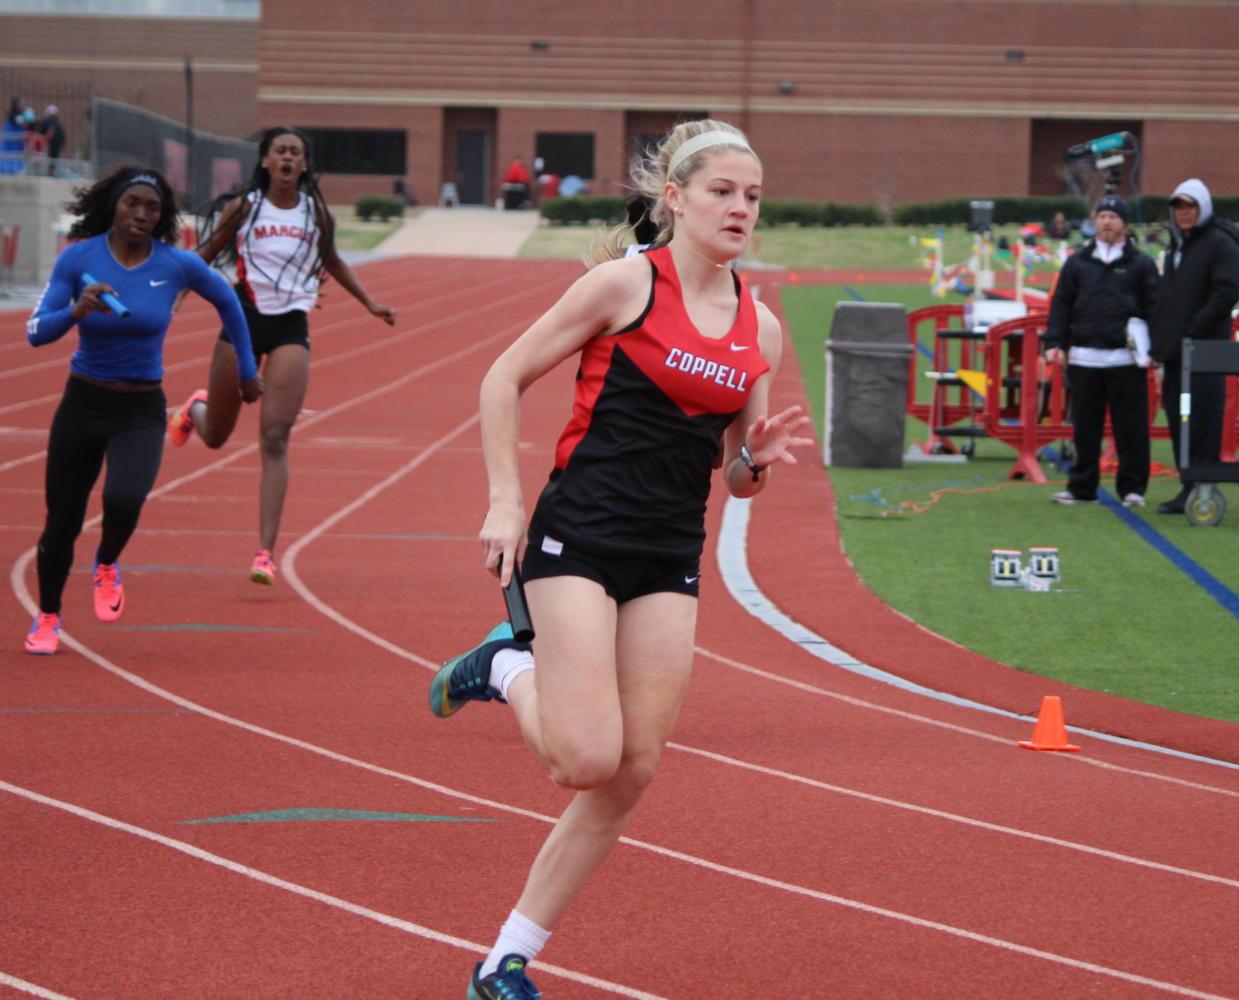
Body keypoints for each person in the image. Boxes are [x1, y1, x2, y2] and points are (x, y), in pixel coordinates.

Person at [426, 119, 812, 999]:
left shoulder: (763, 327)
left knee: (633, 770)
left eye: (753, 196)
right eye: (722, 191)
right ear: (673, 198)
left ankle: (504, 960)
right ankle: (506, 666)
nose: (741, 209)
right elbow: (502, 377)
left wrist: (752, 465)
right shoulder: (624, 285)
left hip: (669, 549)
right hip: (579, 539)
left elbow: (735, 473)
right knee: (584, 761)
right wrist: (504, 500)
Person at [22, 166, 260, 654]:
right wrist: (76, 310)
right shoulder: (78, 259)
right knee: (62, 521)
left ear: (162, 216)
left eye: (152, 208)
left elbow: (229, 303)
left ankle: (106, 562)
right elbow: (35, 332)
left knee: (125, 500)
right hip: (83, 401)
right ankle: (47, 618)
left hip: (140, 408)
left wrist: (246, 367)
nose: (141, 214)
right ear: (114, 204)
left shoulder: (177, 265)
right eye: (132, 203)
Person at [166, 126, 396, 585]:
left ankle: (264, 553)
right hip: (242, 319)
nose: (288, 158)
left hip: (291, 325)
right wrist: (171, 298)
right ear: (266, 161)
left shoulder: (315, 214)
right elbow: (204, 254)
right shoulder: (246, 207)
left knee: (274, 437)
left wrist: (370, 303)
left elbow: (332, 261)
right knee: (216, 436)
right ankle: (195, 408)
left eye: (296, 152)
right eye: (280, 151)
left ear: (304, 164)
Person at [1043, 194, 1158, 507]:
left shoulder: (1141, 264)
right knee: (1085, 430)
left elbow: (1155, 308)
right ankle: (1082, 488)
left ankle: (1133, 489)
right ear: (1095, 222)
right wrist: (1054, 343)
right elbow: (1061, 305)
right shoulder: (1077, 261)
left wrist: (1157, 350)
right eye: (1102, 216)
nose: (1107, 222)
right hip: (1084, 358)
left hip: (1126, 359)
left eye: (1113, 217)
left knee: (1131, 429)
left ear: (1124, 223)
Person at [1149, 179, 1239, 515]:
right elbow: (1168, 300)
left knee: (1202, 419)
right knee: (1179, 418)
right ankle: (1188, 486)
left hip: (1204, 355)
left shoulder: (1221, 245)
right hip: (1178, 356)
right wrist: (1160, 345)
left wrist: (1193, 330)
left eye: (1190, 207)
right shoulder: (1178, 247)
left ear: (1203, 207)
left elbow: (1226, 293)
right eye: (1178, 208)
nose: (1184, 214)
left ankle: (1203, 486)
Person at [39, 104, 65, 174]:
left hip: (51, 144)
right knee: (53, 158)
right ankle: (51, 171)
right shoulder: (57, 123)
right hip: (54, 144)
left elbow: (42, 131)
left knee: (51, 158)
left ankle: (50, 172)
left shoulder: (48, 122)